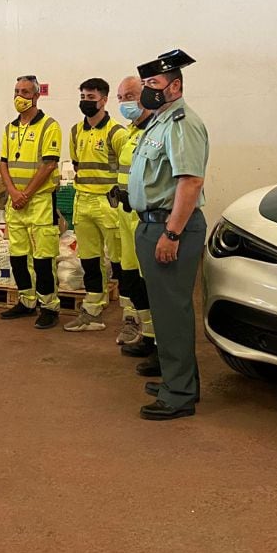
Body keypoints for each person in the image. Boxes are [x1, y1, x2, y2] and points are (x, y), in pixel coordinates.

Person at [128, 50, 209, 421]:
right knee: (164, 311)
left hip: (169, 228)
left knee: (173, 313)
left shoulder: (181, 123)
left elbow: (190, 182)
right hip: (152, 224)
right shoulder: (158, 122)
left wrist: (172, 234)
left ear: (175, 86)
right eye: (145, 85)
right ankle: (177, 379)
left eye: (154, 84)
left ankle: (179, 394)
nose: (148, 91)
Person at [0, 75, 63, 330]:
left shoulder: (49, 126)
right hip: (15, 203)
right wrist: (13, 193)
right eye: (16, 91)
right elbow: (3, 163)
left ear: (36, 95)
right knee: (18, 255)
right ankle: (26, 301)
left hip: (40, 202)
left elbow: (49, 164)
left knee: (43, 258)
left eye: (25, 92)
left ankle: (49, 306)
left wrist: (26, 194)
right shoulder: (9, 128)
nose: (19, 97)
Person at [63, 78, 126, 332]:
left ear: (104, 100)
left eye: (91, 98)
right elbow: (77, 165)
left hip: (108, 203)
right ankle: (92, 310)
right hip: (83, 202)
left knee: (122, 262)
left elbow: (127, 170)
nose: (86, 102)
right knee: (89, 260)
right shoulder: (76, 131)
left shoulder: (116, 133)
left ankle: (131, 316)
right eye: (83, 97)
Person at [111, 75, 156, 357]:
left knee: (148, 278)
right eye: (121, 98)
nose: (125, 102)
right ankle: (147, 333)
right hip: (124, 215)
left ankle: (158, 340)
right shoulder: (130, 130)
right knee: (129, 276)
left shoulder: (156, 131)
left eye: (130, 95)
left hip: (145, 217)